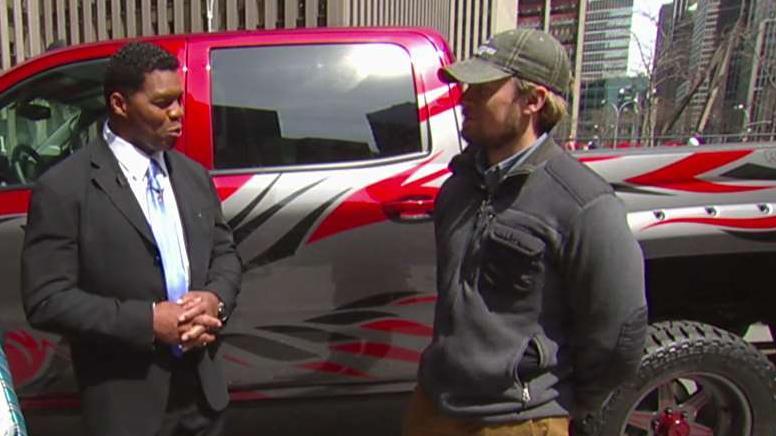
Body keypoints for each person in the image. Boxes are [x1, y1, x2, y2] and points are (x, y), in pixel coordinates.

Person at [404, 28, 647, 436]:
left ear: (533, 101)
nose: (465, 98)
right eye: (467, 87)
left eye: (483, 89)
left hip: (519, 421)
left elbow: (619, 335)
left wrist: (560, 403)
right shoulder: (458, 187)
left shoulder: (584, 204)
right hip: (433, 406)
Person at [21, 42, 241, 436]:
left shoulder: (192, 176)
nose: (177, 112)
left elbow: (225, 254)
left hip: (203, 396)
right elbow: (47, 299)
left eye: (178, 100)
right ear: (120, 104)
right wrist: (148, 321)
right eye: (161, 103)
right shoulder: (65, 188)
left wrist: (215, 299)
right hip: (126, 405)